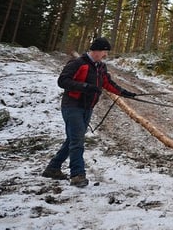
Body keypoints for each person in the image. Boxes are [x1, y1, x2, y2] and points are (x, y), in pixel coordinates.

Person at [42, 37, 137, 187]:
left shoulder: (100, 67)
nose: (105, 55)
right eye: (104, 52)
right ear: (96, 50)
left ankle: (53, 168)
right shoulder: (78, 63)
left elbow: (108, 83)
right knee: (77, 141)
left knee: (73, 139)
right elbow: (63, 81)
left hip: (88, 108)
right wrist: (85, 86)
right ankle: (77, 175)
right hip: (72, 106)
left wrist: (125, 93)